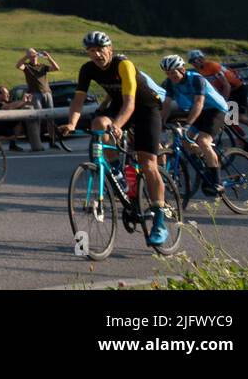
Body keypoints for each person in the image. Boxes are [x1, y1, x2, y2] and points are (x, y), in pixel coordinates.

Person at [59, 31, 171, 247]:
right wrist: (72, 123)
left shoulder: (123, 65)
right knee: (99, 123)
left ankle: (159, 220)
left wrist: (118, 126)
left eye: (100, 50)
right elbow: (78, 99)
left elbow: (130, 103)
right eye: (92, 51)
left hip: (146, 107)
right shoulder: (88, 69)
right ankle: (116, 172)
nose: (97, 54)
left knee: (148, 163)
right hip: (120, 106)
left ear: (109, 49)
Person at [159, 55, 228, 195]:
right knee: (185, 140)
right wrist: (161, 123)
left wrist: (187, 124)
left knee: (203, 140)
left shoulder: (196, 79)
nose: (171, 76)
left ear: (182, 70)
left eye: (173, 73)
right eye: (168, 73)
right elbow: (166, 105)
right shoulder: (170, 83)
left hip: (215, 109)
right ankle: (205, 159)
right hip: (200, 112)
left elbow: (198, 103)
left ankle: (217, 181)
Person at [187, 50, 248, 152]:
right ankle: (242, 140)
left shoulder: (212, 66)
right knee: (227, 119)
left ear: (201, 59)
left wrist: (223, 101)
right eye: (192, 62)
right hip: (226, 91)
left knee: (239, 117)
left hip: (237, 90)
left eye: (196, 60)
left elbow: (227, 85)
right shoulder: (199, 71)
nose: (194, 63)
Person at [16, 48, 64, 149]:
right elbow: (18, 66)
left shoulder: (42, 66)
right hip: (35, 94)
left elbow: (56, 68)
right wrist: (26, 56)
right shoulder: (27, 66)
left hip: (47, 93)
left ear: (37, 56)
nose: (33, 58)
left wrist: (49, 57)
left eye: (34, 55)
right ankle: (38, 142)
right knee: (37, 118)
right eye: (31, 56)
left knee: (50, 118)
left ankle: (52, 141)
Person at [0, 86, 33, 150]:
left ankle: (12, 144)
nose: (9, 95)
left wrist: (27, 102)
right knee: (10, 133)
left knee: (18, 121)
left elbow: (16, 106)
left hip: (4, 124)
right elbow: (8, 107)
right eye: (6, 93)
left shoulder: (6, 101)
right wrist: (23, 101)